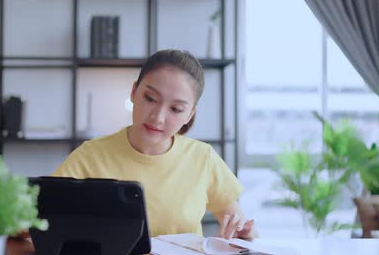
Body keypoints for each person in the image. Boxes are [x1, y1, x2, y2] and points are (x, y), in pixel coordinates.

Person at [52, 49, 256, 239]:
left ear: (189, 114)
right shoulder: (90, 155)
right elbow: (40, 214)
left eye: (176, 109)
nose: (158, 117)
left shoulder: (203, 157)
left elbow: (241, 226)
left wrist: (242, 231)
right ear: (134, 92)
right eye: (150, 98)